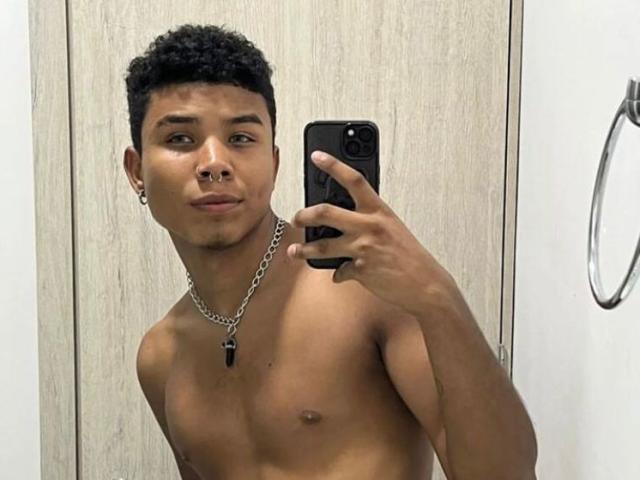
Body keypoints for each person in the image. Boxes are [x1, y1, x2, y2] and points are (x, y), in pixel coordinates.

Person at [123, 24, 537, 480]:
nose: (215, 163)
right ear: (137, 170)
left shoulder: (366, 290)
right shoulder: (161, 357)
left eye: (240, 138)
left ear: (274, 163)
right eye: (180, 139)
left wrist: (437, 296)